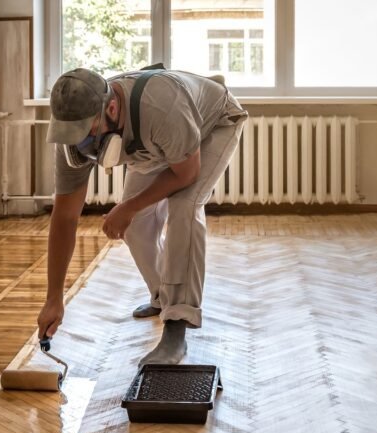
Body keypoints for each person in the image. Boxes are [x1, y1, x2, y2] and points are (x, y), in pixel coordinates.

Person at [36, 66, 247, 365]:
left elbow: (186, 174)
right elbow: (65, 218)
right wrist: (53, 298)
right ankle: (163, 296)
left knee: (184, 207)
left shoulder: (161, 105)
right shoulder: (71, 137)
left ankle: (177, 327)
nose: (82, 145)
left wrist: (128, 206)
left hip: (213, 123)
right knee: (134, 226)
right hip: (156, 141)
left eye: (89, 133)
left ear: (111, 108)